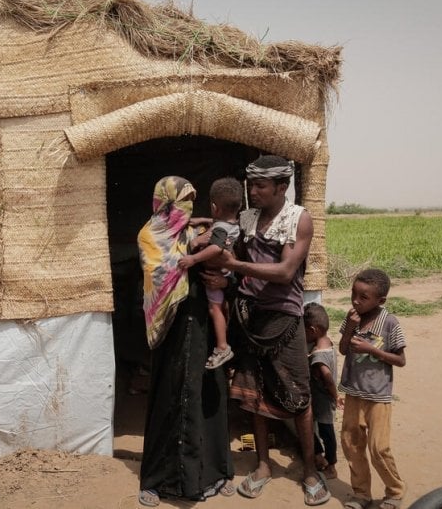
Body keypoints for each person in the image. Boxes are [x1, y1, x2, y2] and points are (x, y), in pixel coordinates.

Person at [214, 154, 331, 506]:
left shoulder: (298, 219)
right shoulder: (247, 218)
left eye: (260, 186)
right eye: (250, 185)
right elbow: (223, 238)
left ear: (283, 187)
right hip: (251, 319)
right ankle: (264, 464)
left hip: (285, 322)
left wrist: (233, 264)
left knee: (299, 396)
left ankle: (310, 471)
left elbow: (284, 272)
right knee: (254, 397)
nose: (253, 192)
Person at [136, 176, 234, 507]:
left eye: (191, 203)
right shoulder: (150, 236)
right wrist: (191, 253)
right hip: (172, 328)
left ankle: (215, 473)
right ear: (163, 205)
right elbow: (161, 273)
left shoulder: (192, 236)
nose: (187, 210)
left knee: (205, 394)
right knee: (169, 395)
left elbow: (223, 261)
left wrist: (224, 275)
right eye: (181, 203)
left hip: (202, 326)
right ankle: (155, 480)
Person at [337, 268, 407, 509]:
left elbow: (400, 360)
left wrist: (373, 351)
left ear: (381, 300)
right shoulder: (352, 317)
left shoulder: (389, 323)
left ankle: (395, 491)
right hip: (353, 392)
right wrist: (348, 329)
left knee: (379, 448)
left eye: (363, 297)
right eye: (354, 294)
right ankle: (361, 494)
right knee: (351, 443)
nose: (356, 300)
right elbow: (343, 350)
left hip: (378, 395)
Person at [178, 177, 243, 370]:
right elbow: (217, 223)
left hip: (216, 272)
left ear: (214, 207)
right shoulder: (233, 223)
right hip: (225, 275)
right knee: (220, 308)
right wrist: (202, 220)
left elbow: (216, 248)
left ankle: (222, 346)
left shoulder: (221, 229)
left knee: (214, 309)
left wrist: (193, 259)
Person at [304, 302, 339, 480]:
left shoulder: (318, 356)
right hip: (323, 399)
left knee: (325, 431)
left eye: (305, 331)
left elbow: (327, 376)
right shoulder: (328, 343)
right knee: (316, 428)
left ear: (313, 330)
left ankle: (331, 464)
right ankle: (319, 456)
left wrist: (335, 396)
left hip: (323, 400)